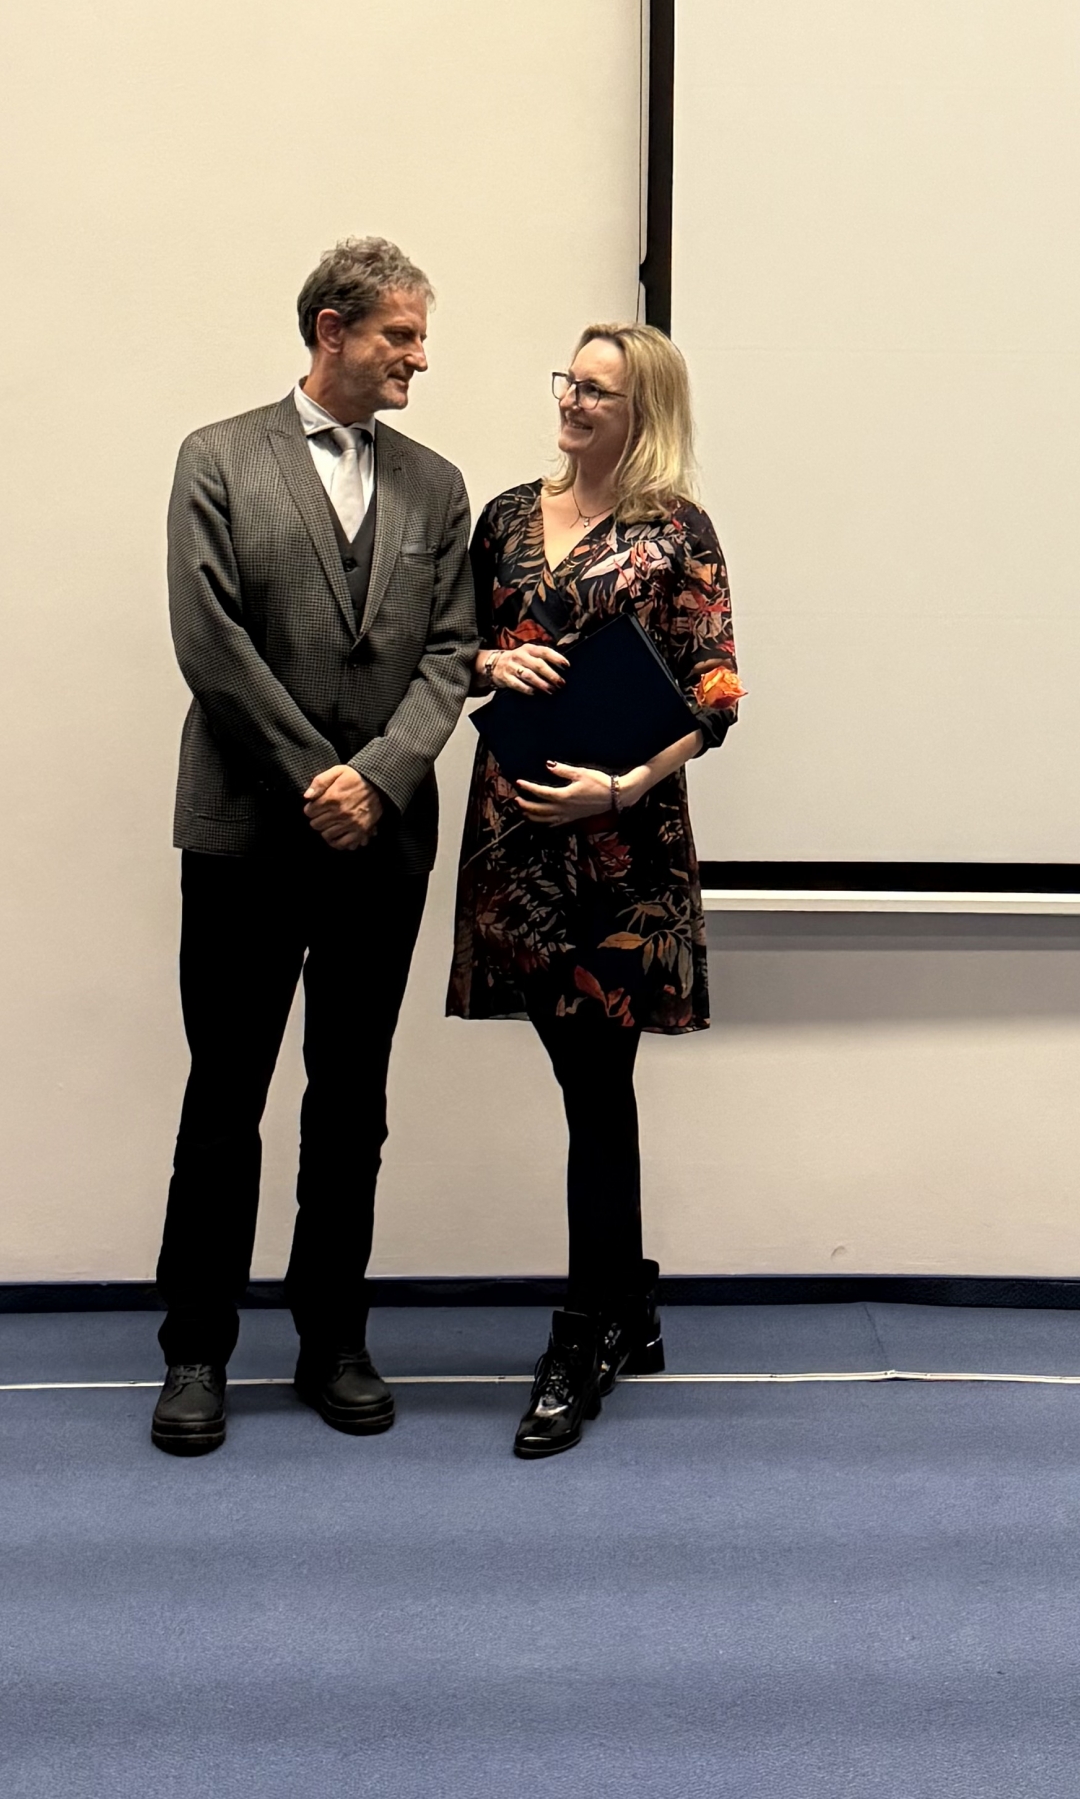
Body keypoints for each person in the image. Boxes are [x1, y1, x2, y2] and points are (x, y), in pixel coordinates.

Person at [152, 237, 477, 1455]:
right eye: (400, 335)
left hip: (380, 850)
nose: (418, 358)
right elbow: (209, 642)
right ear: (331, 330)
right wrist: (316, 780)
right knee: (222, 1097)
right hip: (245, 836)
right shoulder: (216, 458)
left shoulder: (436, 487)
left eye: (419, 336)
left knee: (351, 1103)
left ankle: (332, 1337)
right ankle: (195, 1349)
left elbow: (451, 654)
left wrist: (377, 780)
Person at [447, 322, 743, 1459]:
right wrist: (489, 661)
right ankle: (630, 1298)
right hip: (516, 840)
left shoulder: (677, 531)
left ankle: (584, 1335)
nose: (571, 401)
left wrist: (622, 787)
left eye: (597, 391)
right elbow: (448, 646)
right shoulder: (504, 519)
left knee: (595, 1083)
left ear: (641, 412)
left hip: (623, 848)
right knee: (585, 1079)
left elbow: (714, 692)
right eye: (567, 382)